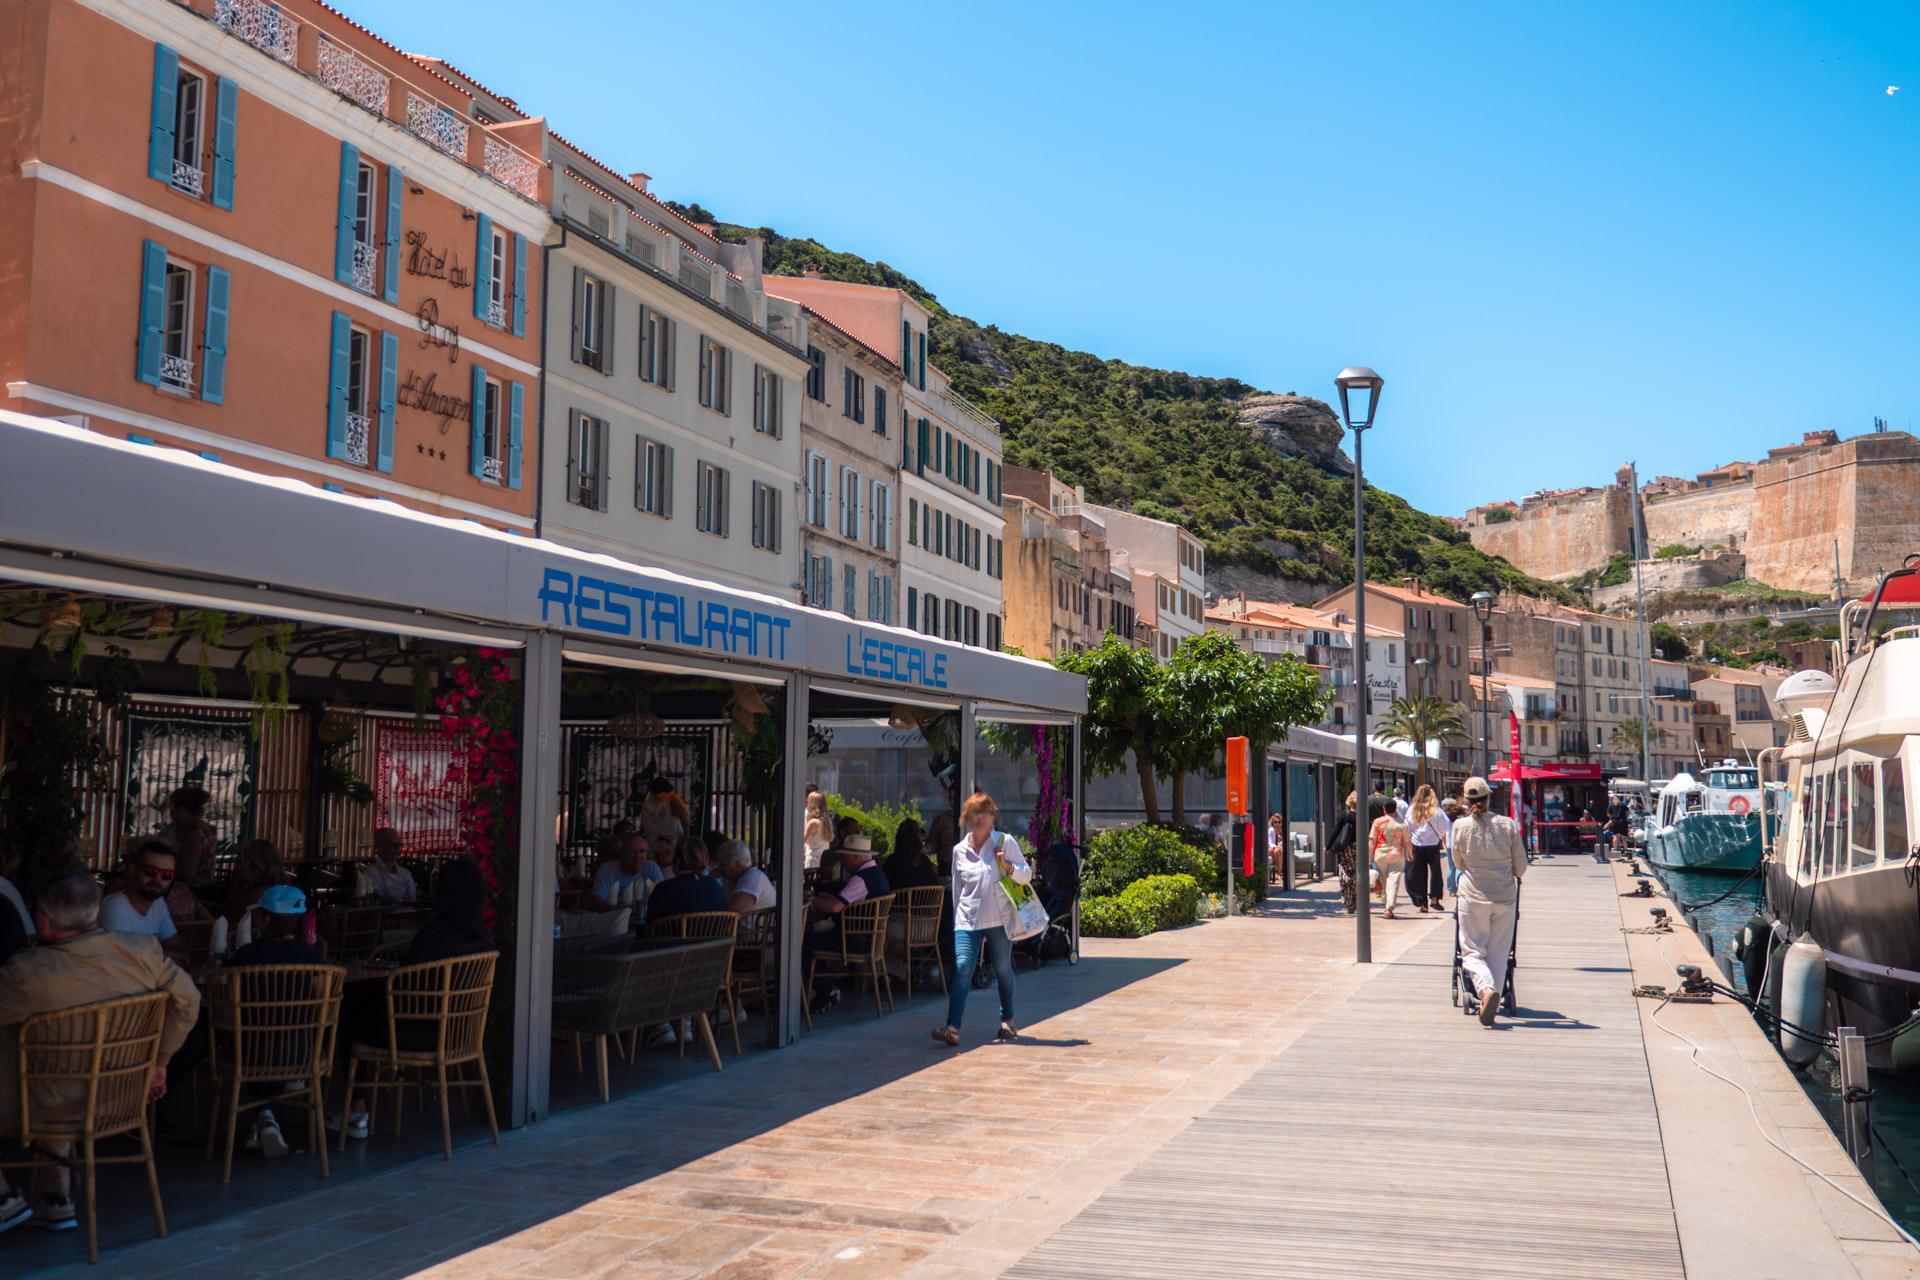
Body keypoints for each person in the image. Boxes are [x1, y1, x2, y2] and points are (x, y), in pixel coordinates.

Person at [0, 871, 200, 1232]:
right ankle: (55, 1194)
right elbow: (189, 1001)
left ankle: (3, 1198)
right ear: (96, 912)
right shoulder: (144, 951)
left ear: (42, 921)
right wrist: (160, 1062)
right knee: (58, 1066)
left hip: (50, 1102)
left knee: (45, 1067)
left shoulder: (27, 973)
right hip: (124, 1097)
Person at [335, 861, 492, 1138]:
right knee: (357, 1006)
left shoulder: (436, 935)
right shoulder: (482, 939)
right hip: (459, 1033)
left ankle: (356, 1109)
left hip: (416, 1033)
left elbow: (404, 982)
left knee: (346, 1011)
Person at [225, 884, 323, 1161]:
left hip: (251, 1051)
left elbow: (230, 1001)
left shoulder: (246, 956)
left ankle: (265, 1115)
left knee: (250, 1039)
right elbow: (320, 1000)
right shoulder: (311, 956)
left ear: (266, 919)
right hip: (301, 1051)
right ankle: (267, 1118)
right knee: (275, 1043)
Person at [931, 791, 1032, 1046]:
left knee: (1002, 969)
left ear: (992, 816)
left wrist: (1008, 867)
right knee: (963, 968)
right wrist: (957, 920)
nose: (980, 817)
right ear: (966, 817)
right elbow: (957, 889)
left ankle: (1007, 1020)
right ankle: (952, 1028)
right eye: (975, 812)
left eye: (985, 812)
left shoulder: (1004, 842)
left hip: (999, 920)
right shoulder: (959, 850)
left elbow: (1026, 875)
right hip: (967, 920)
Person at [1450, 776, 1528, 1026]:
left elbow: (1458, 863)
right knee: (1499, 953)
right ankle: (1491, 998)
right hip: (1504, 897)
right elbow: (1520, 867)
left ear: (1466, 799)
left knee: (1472, 950)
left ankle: (1485, 990)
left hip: (1472, 896)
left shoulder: (1460, 826)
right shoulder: (1506, 825)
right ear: (1489, 797)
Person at [804, 835, 889, 1014]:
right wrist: (824, 898)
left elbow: (835, 907)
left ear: (855, 857)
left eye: (844, 856)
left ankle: (825, 989)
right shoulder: (877, 874)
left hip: (856, 941)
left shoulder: (861, 879)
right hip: (870, 939)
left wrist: (810, 900)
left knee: (803, 942)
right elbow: (844, 900)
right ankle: (824, 986)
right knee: (812, 937)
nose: (842, 861)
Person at [101, 840, 185, 962]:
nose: (157, 880)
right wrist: (161, 955)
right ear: (133, 869)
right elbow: (125, 964)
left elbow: (179, 950)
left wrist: (152, 956)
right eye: (151, 871)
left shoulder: (158, 903)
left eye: (166, 875)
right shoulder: (115, 907)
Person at [644, 839, 727, 925]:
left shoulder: (663, 889)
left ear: (677, 861)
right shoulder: (715, 887)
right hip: (712, 934)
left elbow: (650, 924)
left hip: (673, 934)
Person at [1405, 785, 1451, 913]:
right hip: (1433, 844)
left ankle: (1423, 903)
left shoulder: (1412, 809)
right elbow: (1445, 828)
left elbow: (1407, 828)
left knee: (1419, 874)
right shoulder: (1436, 810)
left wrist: (1408, 847)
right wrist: (1446, 844)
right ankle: (1435, 899)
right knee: (1436, 872)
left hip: (1417, 844)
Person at [589, 833, 654, 915]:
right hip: (613, 919)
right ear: (622, 852)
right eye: (632, 851)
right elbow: (597, 902)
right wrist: (620, 910)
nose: (637, 856)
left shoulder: (652, 868)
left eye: (642, 851)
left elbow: (663, 897)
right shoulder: (606, 870)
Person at [152, 785, 212, 866]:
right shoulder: (209, 830)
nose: (171, 815)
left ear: (182, 811)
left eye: (172, 810)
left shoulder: (193, 834)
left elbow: (188, 872)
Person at [1369, 809, 1412, 919]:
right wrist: (1410, 853)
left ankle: (1386, 901)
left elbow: (1372, 840)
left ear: (1384, 809)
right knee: (1393, 881)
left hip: (1380, 855)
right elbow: (1407, 841)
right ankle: (1389, 907)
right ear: (1395, 810)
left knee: (1383, 880)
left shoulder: (1377, 822)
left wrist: (1369, 858)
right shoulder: (1401, 824)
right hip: (1396, 854)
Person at [358, 828, 417, 903]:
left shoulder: (405, 874)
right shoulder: (370, 873)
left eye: (400, 845)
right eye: (395, 845)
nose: (398, 850)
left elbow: (412, 901)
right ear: (381, 847)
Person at [881, 819, 940, 892]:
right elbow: (935, 887)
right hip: (928, 899)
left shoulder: (893, 861)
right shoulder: (925, 861)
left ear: (899, 838)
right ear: (918, 840)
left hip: (899, 899)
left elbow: (884, 888)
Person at [718, 841, 776, 913]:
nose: (719, 868)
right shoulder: (732, 880)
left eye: (722, 864)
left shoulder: (753, 876)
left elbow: (737, 910)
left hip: (754, 921)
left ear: (737, 864)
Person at [1328, 792, 1360, 914]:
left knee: (1345, 870)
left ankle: (1348, 900)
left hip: (1345, 848)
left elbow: (1335, 832)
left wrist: (1328, 847)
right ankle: (1356, 901)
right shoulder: (1363, 816)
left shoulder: (1344, 815)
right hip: (1359, 848)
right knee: (1357, 873)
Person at [638, 777, 691, 844]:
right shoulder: (672, 801)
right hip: (671, 843)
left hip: (652, 843)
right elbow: (684, 818)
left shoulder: (645, 805)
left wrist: (640, 836)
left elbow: (642, 825)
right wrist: (687, 835)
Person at [802, 791, 832, 871]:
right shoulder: (826, 822)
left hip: (813, 859)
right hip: (823, 860)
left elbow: (802, 841)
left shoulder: (813, 822)